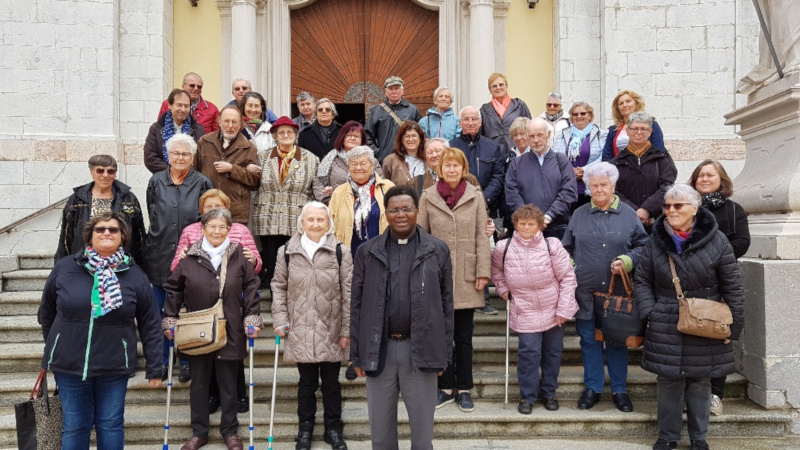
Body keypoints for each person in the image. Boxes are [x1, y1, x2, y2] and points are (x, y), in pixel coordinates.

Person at [634, 185, 745, 450]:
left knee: (700, 380)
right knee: (668, 379)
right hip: (666, 318)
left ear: (695, 208)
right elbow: (642, 280)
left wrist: (734, 328)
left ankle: (698, 438)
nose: (671, 210)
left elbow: (733, 288)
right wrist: (651, 311)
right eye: (667, 206)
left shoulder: (718, 241)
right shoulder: (655, 240)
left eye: (678, 205)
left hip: (706, 319)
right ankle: (668, 436)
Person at [40, 212, 162, 449]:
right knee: (74, 425)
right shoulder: (65, 267)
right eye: (100, 229)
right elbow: (47, 312)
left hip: (114, 364)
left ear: (122, 237)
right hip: (69, 363)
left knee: (110, 424)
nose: (107, 233)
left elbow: (150, 322)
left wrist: (155, 366)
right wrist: (57, 344)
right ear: (90, 235)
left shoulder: (135, 275)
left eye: (113, 229)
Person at [350, 185, 454, 450]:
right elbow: (357, 306)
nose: (400, 215)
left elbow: (446, 306)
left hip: (420, 349)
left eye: (407, 209)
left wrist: (443, 353)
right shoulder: (367, 252)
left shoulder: (437, 250)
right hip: (380, 350)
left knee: (422, 435)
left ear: (417, 211)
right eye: (394, 210)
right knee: (381, 436)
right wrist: (357, 354)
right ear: (385, 213)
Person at [163, 208, 262, 450]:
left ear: (229, 229)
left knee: (228, 384)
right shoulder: (190, 256)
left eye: (222, 227)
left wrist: (252, 318)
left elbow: (251, 286)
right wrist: (170, 318)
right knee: (199, 383)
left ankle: (230, 431)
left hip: (231, 328)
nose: (217, 231)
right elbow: (174, 289)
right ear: (203, 228)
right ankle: (199, 432)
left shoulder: (239, 254)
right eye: (212, 226)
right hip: (197, 329)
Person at [561, 162, 649, 413]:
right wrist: (572, 265)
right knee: (589, 340)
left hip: (616, 293)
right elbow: (566, 248)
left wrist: (627, 261)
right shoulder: (579, 214)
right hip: (586, 291)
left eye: (604, 185)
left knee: (616, 341)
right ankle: (593, 388)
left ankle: (620, 389)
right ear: (588, 187)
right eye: (594, 185)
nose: (599, 189)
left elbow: (644, 246)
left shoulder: (628, 215)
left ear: (613, 186)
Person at [271, 202, 352, 450]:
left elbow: (349, 293)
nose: (315, 224)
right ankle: (304, 430)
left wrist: (347, 329)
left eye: (320, 220)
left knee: (331, 383)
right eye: (311, 219)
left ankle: (333, 429)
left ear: (328, 223)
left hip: (331, 327)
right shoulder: (287, 251)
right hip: (300, 327)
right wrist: (280, 320)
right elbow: (278, 286)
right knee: (306, 384)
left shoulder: (341, 251)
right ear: (302, 223)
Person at [417, 147, 491, 413]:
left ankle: (465, 389)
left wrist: (483, 271)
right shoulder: (428, 196)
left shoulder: (475, 196)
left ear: (463, 169)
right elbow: (420, 236)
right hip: (436, 275)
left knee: (463, 337)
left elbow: (482, 236)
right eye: (446, 165)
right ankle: (446, 387)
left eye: (456, 165)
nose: (451, 169)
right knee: (441, 336)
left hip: (467, 275)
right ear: (440, 168)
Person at [490, 204, 577, 414]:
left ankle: (549, 393)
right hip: (524, 307)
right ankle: (527, 396)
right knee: (529, 353)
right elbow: (497, 272)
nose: (526, 228)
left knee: (552, 353)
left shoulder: (551, 245)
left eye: (531, 224)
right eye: (522, 224)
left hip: (553, 307)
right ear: (515, 224)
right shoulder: (503, 247)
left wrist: (563, 310)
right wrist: (502, 289)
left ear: (539, 226)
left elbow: (567, 278)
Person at [143, 133, 213, 382]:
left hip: (192, 257)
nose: (180, 157)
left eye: (185, 154)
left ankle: (185, 360)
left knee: (188, 311)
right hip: (160, 256)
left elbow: (207, 218)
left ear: (192, 157)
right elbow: (153, 212)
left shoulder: (202, 182)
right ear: (168, 156)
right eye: (176, 153)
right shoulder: (156, 181)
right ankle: (163, 361)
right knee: (161, 312)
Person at [689, 160, 751, 416]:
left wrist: (714, 256)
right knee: (690, 338)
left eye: (710, 175)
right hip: (691, 282)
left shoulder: (734, 209)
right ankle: (690, 394)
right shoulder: (686, 208)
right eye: (700, 175)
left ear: (721, 179)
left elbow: (743, 241)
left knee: (718, 340)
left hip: (721, 283)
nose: (704, 179)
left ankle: (715, 394)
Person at [250, 116, 319, 289]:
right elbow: (254, 184)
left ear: (296, 135)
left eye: (290, 132)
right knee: (272, 262)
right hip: (268, 218)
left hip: (296, 217)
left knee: (295, 261)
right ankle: (275, 298)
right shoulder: (261, 157)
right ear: (275, 136)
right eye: (281, 132)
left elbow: (315, 190)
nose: (286, 135)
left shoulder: (311, 159)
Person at [450, 106, 505, 315]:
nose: (471, 122)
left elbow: (498, 176)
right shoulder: (452, 146)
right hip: (457, 207)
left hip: (486, 206)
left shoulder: (493, 147)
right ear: (460, 123)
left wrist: (482, 199)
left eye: (474, 119)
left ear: (480, 122)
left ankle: (484, 300)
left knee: (483, 250)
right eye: (466, 119)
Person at [55, 154, 146, 266]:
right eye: (100, 171)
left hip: (120, 262)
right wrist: (61, 266)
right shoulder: (77, 199)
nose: (105, 175)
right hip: (84, 262)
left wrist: (141, 267)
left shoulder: (129, 199)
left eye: (110, 171)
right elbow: (66, 237)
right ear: (91, 172)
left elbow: (139, 235)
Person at [505, 118, 577, 240]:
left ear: (548, 134)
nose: (536, 140)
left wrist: (549, 215)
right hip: (528, 229)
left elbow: (569, 191)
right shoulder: (517, 163)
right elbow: (512, 193)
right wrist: (529, 219)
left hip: (557, 227)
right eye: (531, 136)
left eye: (540, 135)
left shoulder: (561, 161)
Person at [609, 112, 677, 232]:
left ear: (650, 132)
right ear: (627, 131)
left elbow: (667, 186)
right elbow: (613, 191)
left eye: (643, 129)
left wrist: (647, 209)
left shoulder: (661, 158)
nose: (639, 132)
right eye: (634, 128)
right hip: (626, 223)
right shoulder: (617, 162)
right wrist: (635, 212)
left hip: (657, 223)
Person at [193, 106, 261, 224]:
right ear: (219, 122)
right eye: (226, 121)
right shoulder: (204, 142)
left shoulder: (249, 147)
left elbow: (255, 181)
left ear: (240, 124)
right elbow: (195, 173)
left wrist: (232, 169)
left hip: (236, 212)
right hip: (208, 208)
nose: (230, 126)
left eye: (234, 122)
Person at [329, 146, 394, 257]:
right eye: (354, 164)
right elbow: (330, 225)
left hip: (383, 255)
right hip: (349, 256)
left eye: (363, 164)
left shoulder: (387, 188)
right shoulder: (339, 192)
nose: (358, 168)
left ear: (372, 165)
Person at [553, 102, 607, 212]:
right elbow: (555, 156)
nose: (579, 116)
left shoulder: (601, 134)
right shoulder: (563, 134)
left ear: (590, 115)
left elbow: (604, 157)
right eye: (575, 114)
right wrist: (569, 171)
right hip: (567, 186)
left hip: (592, 187)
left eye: (583, 113)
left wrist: (585, 171)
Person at [314, 120, 384, 204]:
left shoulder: (371, 160)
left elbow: (380, 182)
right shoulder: (331, 159)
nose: (352, 138)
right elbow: (317, 183)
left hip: (367, 205)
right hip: (336, 204)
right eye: (349, 135)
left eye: (356, 136)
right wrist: (330, 200)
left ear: (362, 140)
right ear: (342, 138)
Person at [144, 88, 205, 173]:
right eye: (179, 105)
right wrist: (171, 172)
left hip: (191, 178)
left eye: (186, 106)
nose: (183, 109)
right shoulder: (156, 129)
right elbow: (150, 158)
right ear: (170, 105)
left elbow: (203, 158)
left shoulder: (199, 130)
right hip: (163, 178)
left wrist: (188, 174)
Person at [365, 76, 422, 163]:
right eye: (390, 88)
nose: (394, 92)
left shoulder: (412, 110)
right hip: (383, 160)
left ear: (402, 91)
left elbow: (420, 134)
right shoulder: (376, 111)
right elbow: (367, 135)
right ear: (386, 92)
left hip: (407, 159)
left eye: (397, 88)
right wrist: (377, 153)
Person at [601, 90, 666, 161]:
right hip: (620, 167)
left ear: (636, 103)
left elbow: (659, 151)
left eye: (628, 101)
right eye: (621, 103)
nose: (625, 105)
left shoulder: (651, 124)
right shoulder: (613, 130)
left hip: (647, 166)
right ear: (618, 108)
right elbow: (606, 156)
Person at [479, 72, 532, 155]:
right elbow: (480, 135)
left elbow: (530, 129)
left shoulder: (519, 105)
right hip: (492, 155)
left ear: (506, 87)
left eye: (501, 84)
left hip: (516, 153)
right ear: (490, 90)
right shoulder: (484, 110)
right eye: (494, 86)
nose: (498, 88)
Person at [382, 121, 427, 192]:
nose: (411, 139)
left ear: (420, 139)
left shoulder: (428, 159)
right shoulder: (390, 160)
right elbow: (384, 187)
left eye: (414, 136)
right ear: (402, 140)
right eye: (407, 136)